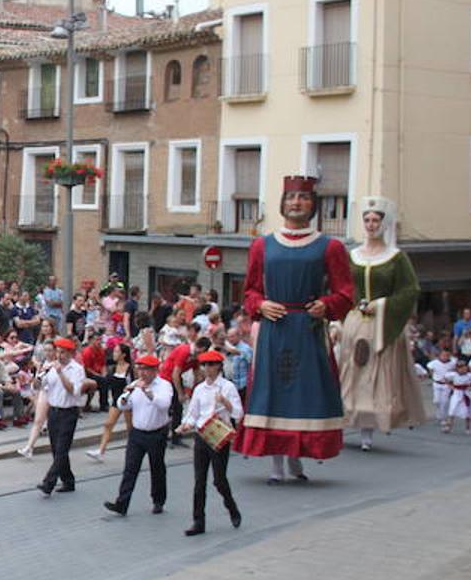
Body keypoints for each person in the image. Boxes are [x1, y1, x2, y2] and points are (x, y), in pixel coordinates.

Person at [233, 173, 354, 483]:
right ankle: (276, 464)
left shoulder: (330, 247)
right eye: (291, 198)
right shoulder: (263, 245)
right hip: (275, 328)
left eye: (302, 198)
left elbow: (345, 292)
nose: (296, 202)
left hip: (308, 328)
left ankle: (297, 459)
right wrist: (260, 305)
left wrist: (326, 305)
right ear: (283, 204)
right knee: (273, 393)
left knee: (305, 393)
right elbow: (250, 290)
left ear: (312, 205)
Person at [338, 197, 428, 451]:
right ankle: (346, 419)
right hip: (355, 324)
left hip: (382, 326)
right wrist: (338, 320)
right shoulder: (353, 255)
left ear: (383, 223)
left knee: (373, 379)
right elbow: (344, 287)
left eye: (375, 220)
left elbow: (410, 291)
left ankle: (368, 428)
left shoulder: (396, 258)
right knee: (350, 375)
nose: (370, 224)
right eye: (366, 219)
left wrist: (379, 304)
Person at [178, 351, 244, 536]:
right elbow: (193, 412)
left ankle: (231, 507)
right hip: (202, 434)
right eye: (204, 365)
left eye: (211, 364)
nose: (207, 368)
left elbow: (238, 414)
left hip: (218, 435)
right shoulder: (199, 389)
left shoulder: (228, 387)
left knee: (219, 480)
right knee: (199, 481)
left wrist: (225, 403)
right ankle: (198, 521)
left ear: (218, 366)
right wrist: (185, 425)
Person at [104, 354, 173, 517]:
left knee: (157, 468)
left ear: (155, 370)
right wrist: (126, 394)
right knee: (130, 468)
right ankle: (122, 503)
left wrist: (147, 392)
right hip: (137, 433)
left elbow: (164, 405)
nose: (142, 373)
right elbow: (123, 405)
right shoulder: (135, 385)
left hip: (157, 433)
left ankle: (158, 501)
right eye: (140, 369)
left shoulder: (164, 386)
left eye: (146, 370)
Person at [31, 338, 88, 497]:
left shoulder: (77, 369)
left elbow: (73, 391)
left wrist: (60, 373)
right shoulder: (50, 367)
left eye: (63, 352)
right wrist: (38, 377)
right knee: (57, 450)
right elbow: (40, 387)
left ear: (70, 353)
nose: (59, 355)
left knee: (62, 448)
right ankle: (68, 480)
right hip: (53, 411)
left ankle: (48, 483)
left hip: (69, 412)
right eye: (58, 352)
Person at [426, 347, 458, 424]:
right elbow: (429, 368)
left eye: (447, 355)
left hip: (446, 384)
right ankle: (439, 413)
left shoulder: (452, 363)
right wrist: (432, 375)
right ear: (439, 355)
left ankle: (443, 418)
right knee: (437, 401)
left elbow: (455, 370)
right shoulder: (434, 363)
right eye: (443, 355)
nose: (445, 357)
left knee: (444, 401)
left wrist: (452, 381)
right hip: (437, 383)